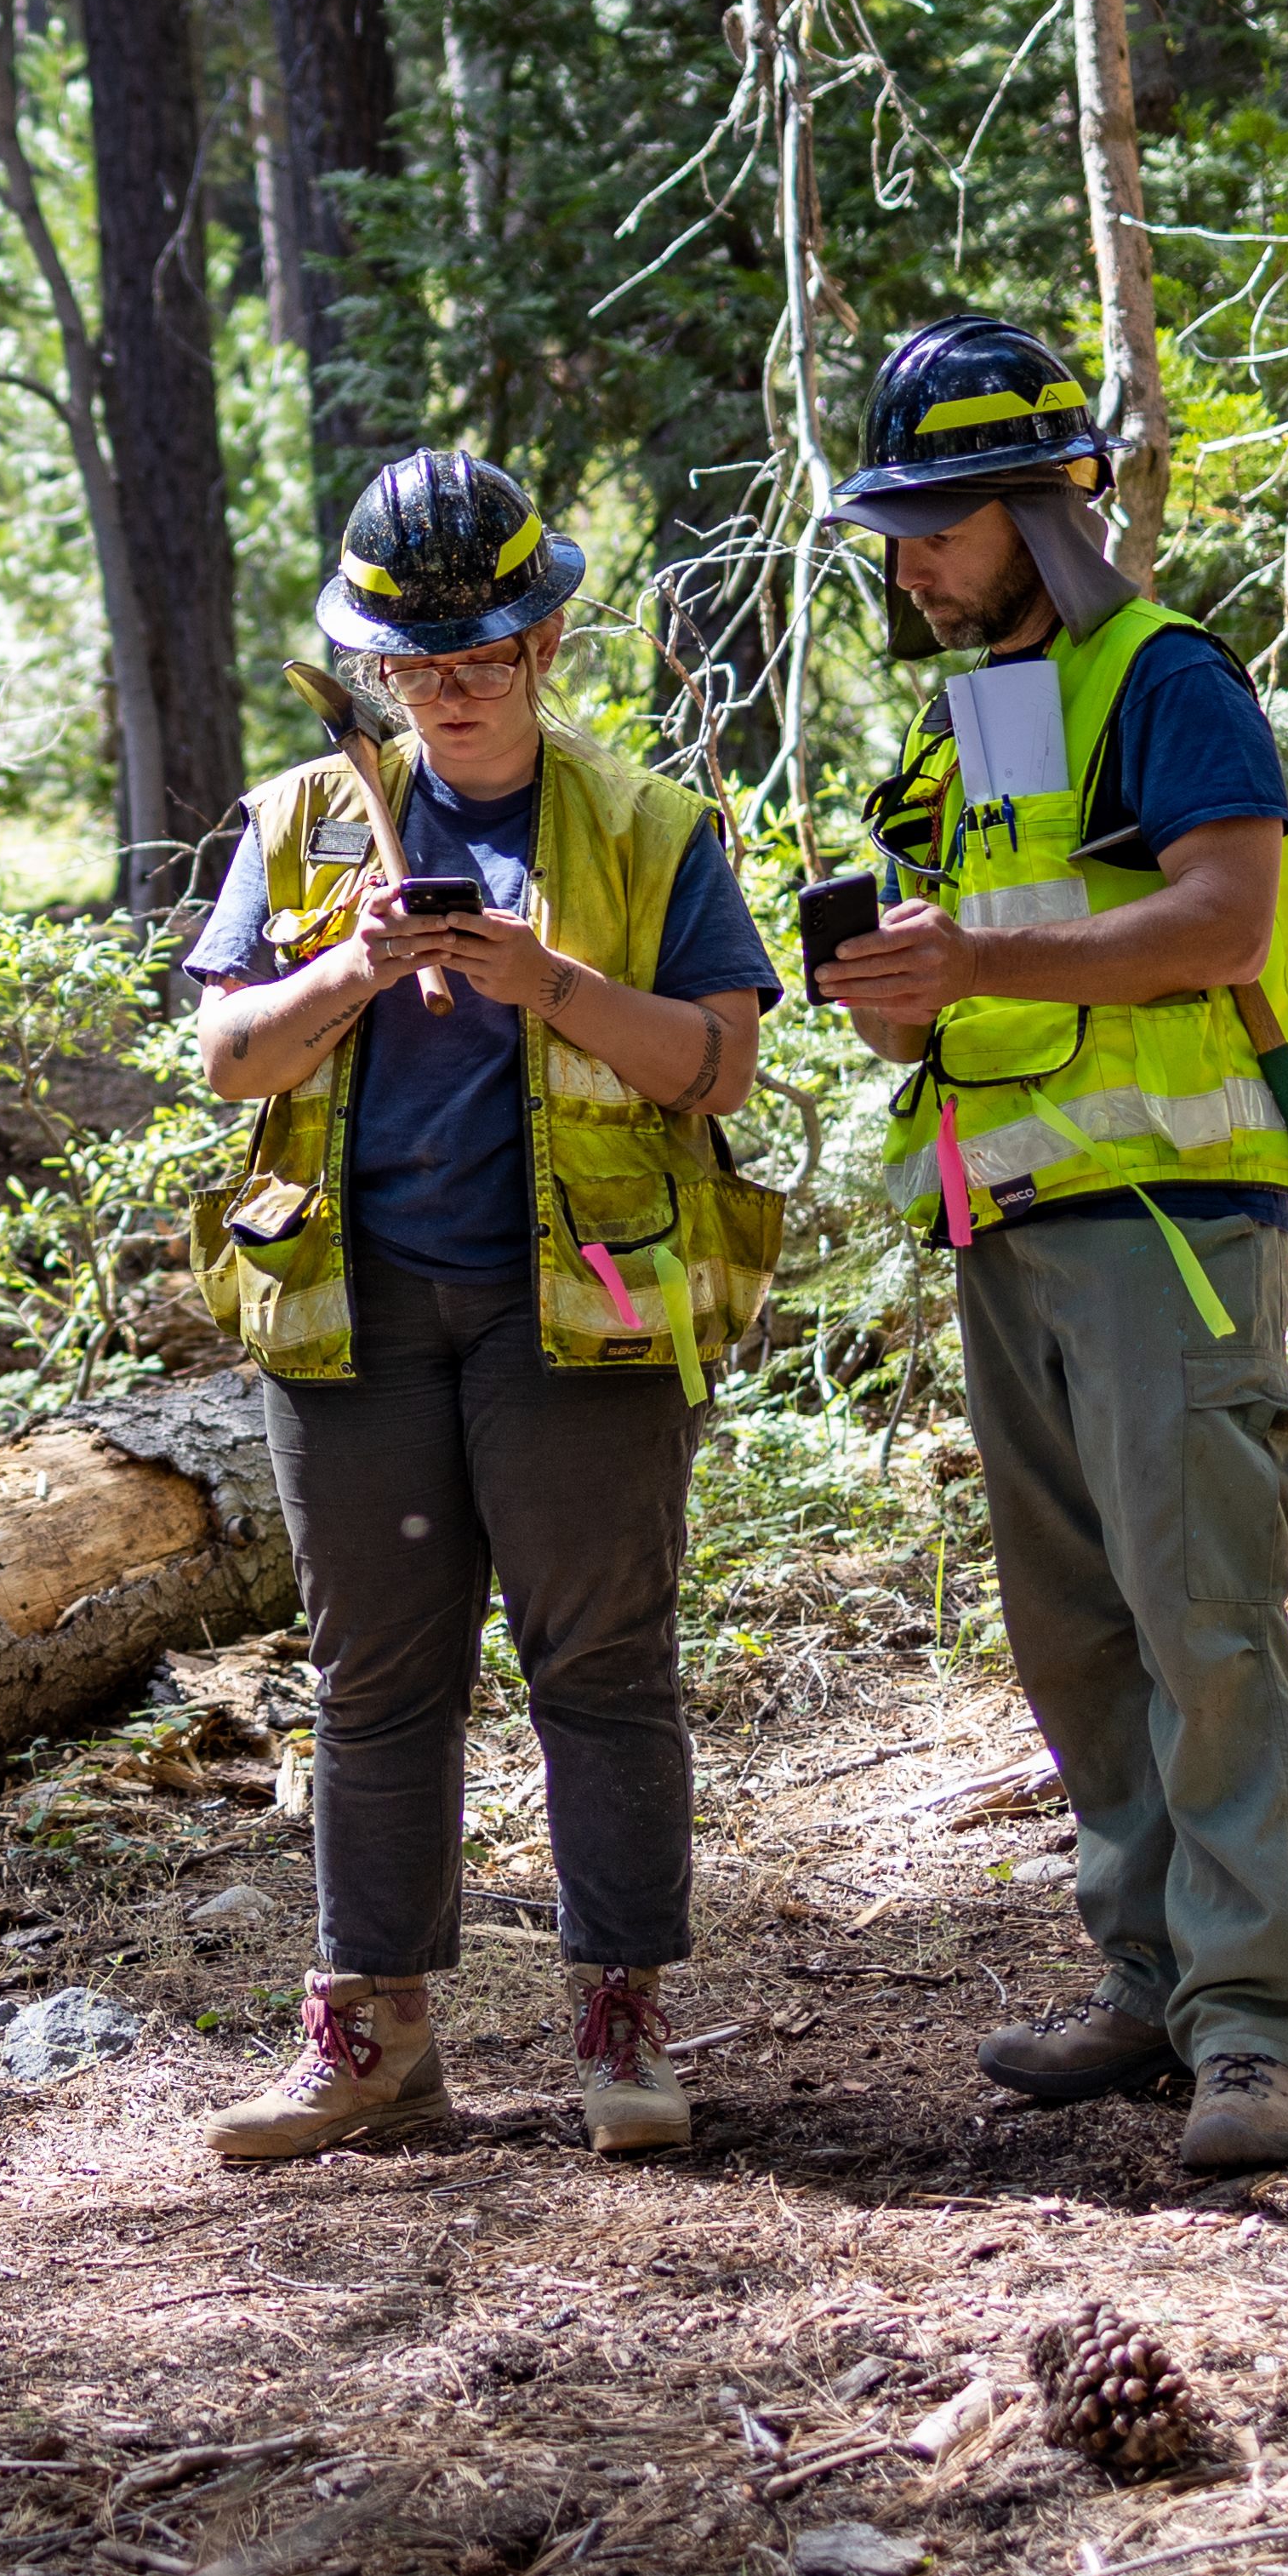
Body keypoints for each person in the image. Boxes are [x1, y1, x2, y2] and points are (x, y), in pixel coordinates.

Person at [804, 316, 1288, 2174]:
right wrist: (902, 990)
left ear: (1042, 504)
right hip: (1015, 1227)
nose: (908, 558)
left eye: (933, 521)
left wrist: (975, 962)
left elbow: (1222, 922)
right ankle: (1147, 1979)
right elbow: (1003, 956)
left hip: (1173, 1229)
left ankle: (1256, 2029)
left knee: (1204, 1622)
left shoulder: (1168, 674)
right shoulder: (985, 705)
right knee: (1078, 1638)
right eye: (895, 523)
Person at [181, 450, 785, 2162]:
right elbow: (228, 1058)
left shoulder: (648, 827)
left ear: (548, 639)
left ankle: (621, 2025)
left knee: (601, 1660)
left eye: (481, 659)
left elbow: (720, 1059)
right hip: (352, 1307)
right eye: (413, 667)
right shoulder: (304, 821)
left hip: (582, 1308)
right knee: (374, 1673)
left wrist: (557, 984)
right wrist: (351, 967)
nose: (447, 693)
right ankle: (370, 2035)